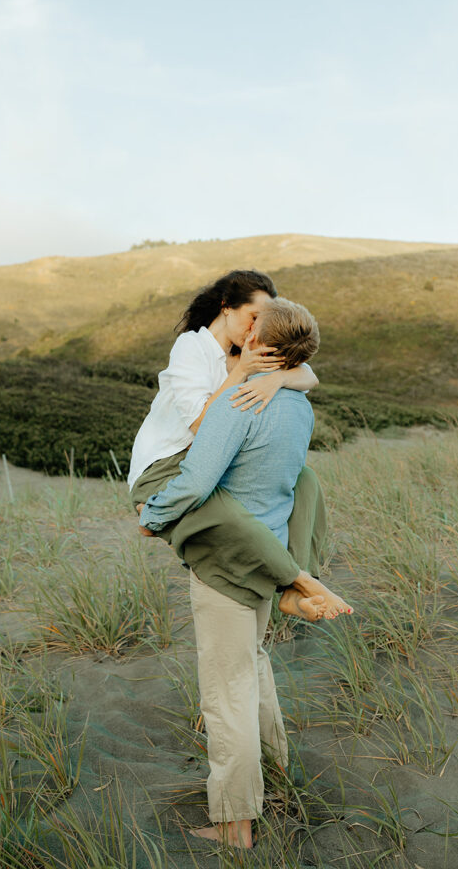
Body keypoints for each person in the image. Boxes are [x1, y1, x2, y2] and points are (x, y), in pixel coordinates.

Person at [137, 299, 353, 849]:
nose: (244, 328)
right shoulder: (298, 404)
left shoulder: (237, 402)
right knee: (252, 667)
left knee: (224, 693)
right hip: (269, 550)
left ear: (261, 345)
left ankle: (235, 825)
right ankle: (274, 775)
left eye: (254, 326)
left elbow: (195, 481)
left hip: (228, 561)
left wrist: (153, 516)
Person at [128, 269, 349, 619]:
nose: (256, 328)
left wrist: (276, 379)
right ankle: (298, 580)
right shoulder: (192, 347)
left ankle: (295, 587)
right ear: (227, 307)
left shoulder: (245, 351)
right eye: (253, 317)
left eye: (263, 320)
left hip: (212, 458)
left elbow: (310, 375)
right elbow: (202, 425)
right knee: (217, 502)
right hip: (167, 463)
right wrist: (241, 373)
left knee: (304, 481)